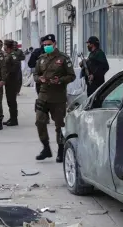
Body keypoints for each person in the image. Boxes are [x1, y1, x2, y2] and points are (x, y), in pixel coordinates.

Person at [34, 34, 76, 162]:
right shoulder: (41, 58)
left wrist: (60, 80)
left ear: (54, 44)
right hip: (43, 95)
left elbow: (72, 76)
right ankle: (46, 148)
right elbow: (36, 74)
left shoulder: (63, 58)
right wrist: (39, 79)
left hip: (58, 97)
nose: (46, 47)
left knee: (59, 125)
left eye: (48, 44)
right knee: (39, 121)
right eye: (44, 45)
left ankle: (60, 149)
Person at [3, 40, 21, 126]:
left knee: (12, 101)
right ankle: (11, 118)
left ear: (8, 46)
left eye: (4, 45)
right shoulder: (8, 55)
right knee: (9, 101)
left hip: (12, 81)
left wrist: (7, 75)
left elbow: (15, 68)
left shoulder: (13, 55)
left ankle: (14, 120)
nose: (4, 47)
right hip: (8, 81)